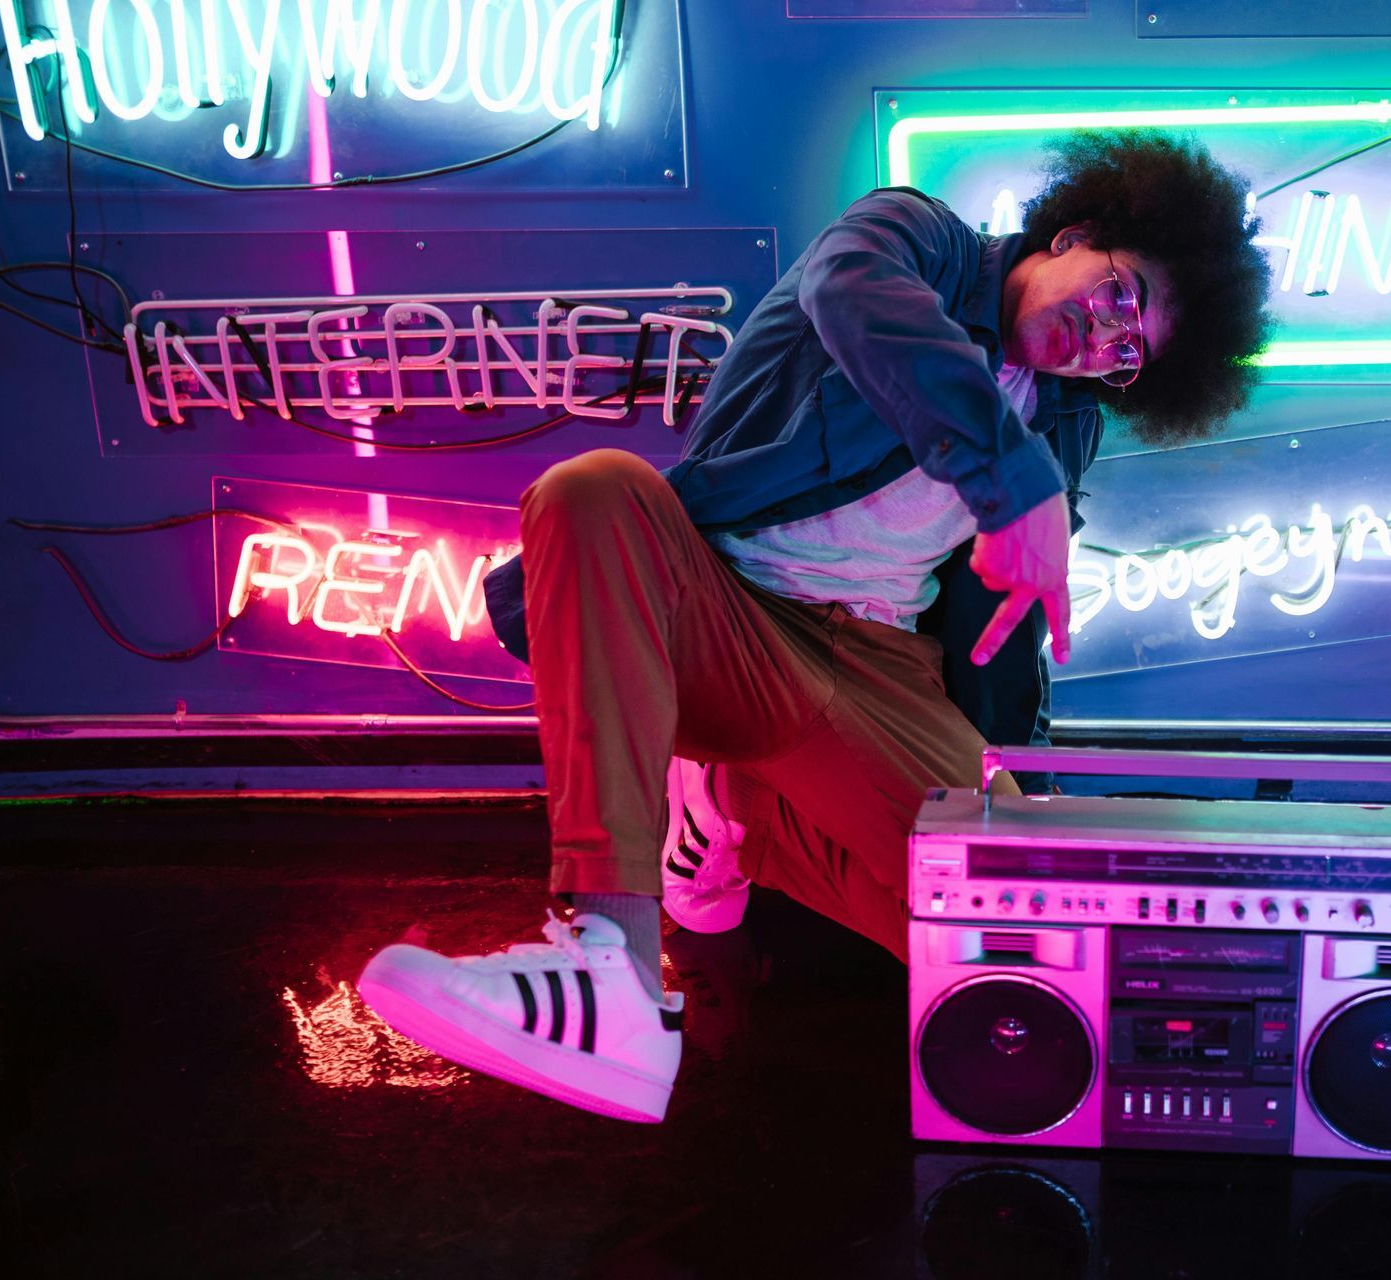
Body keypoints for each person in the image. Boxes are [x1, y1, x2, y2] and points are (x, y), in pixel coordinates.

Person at [357, 132, 1274, 1123]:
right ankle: (606, 970)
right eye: (1123, 293)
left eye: (1131, 350)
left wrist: (1022, 785)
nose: (1106, 337)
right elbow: (854, 299)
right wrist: (1018, 482)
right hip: (725, 612)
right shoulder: (914, 236)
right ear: (1077, 235)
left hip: (882, 666)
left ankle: (733, 813)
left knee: (1014, 942)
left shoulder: (1066, 420)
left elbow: (1006, 636)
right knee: (592, 492)